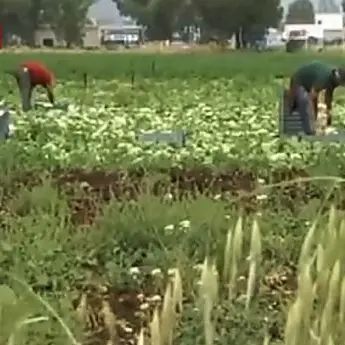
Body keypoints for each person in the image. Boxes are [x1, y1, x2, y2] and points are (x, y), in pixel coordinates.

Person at [288, 61, 345, 134]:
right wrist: (314, 120)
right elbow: (311, 98)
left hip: (311, 83)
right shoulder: (324, 79)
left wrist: (329, 119)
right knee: (304, 100)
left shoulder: (333, 79)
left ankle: (313, 126)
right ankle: (309, 131)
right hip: (298, 81)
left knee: (316, 105)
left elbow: (328, 97)